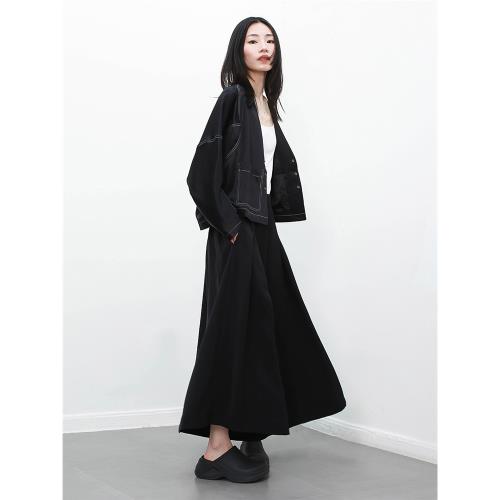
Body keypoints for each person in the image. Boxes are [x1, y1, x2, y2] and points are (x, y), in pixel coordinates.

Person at [179, 17, 347, 483]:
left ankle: (251, 428)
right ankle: (215, 449)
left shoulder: (267, 104)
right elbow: (200, 174)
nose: (264, 46)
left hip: (261, 229)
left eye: (270, 40)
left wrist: (260, 225)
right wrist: (232, 227)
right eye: (253, 40)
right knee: (231, 333)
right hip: (237, 232)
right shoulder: (233, 99)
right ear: (239, 50)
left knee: (270, 325)